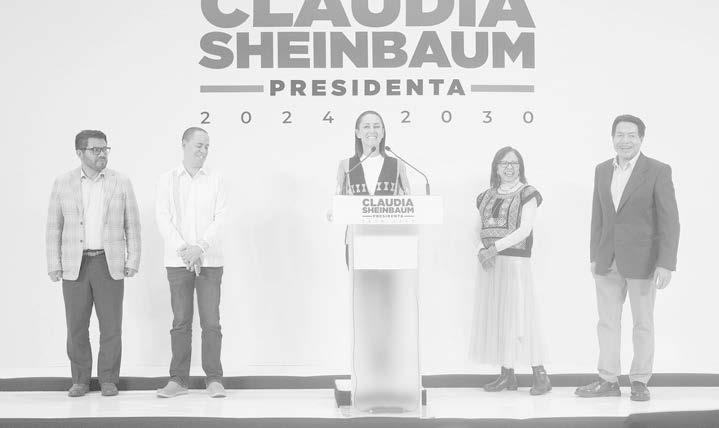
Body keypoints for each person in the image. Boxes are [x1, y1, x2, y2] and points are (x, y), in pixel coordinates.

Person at [576, 115, 679, 402]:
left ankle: (639, 380)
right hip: (607, 259)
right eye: (620, 135)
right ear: (612, 138)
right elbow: (598, 216)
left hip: (643, 261)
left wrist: (666, 263)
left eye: (631, 135)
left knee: (642, 323)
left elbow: (670, 220)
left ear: (641, 139)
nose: (625, 140)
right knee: (607, 322)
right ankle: (608, 379)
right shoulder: (601, 170)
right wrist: (594, 254)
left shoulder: (657, 171)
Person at [46, 130, 141, 397]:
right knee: (76, 326)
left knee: (111, 326)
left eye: (104, 149)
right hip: (74, 265)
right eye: (95, 150)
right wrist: (54, 263)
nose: (102, 154)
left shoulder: (121, 182)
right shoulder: (62, 183)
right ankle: (80, 380)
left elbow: (132, 224)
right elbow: (54, 226)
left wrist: (133, 259)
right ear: (80, 153)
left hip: (108, 262)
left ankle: (109, 379)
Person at [470, 146, 551, 395]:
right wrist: (481, 251)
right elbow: (476, 229)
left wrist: (494, 248)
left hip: (515, 263)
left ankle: (540, 375)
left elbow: (525, 230)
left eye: (514, 163)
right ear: (496, 167)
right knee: (500, 318)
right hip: (491, 264)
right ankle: (507, 375)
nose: (508, 167)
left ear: (520, 167)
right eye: (503, 163)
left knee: (522, 317)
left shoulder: (528, 194)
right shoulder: (485, 196)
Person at [155, 127, 228, 398]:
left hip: (210, 261)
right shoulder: (167, 180)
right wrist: (185, 250)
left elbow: (221, 217)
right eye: (199, 145)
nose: (203, 151)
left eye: (207, 146)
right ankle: (178, 380)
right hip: (178, 261)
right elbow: (163, 218)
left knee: (211, 322)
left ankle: (214, 379)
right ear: (184, 144)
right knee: (181, 322)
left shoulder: (216, 179)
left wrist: (201, 248)